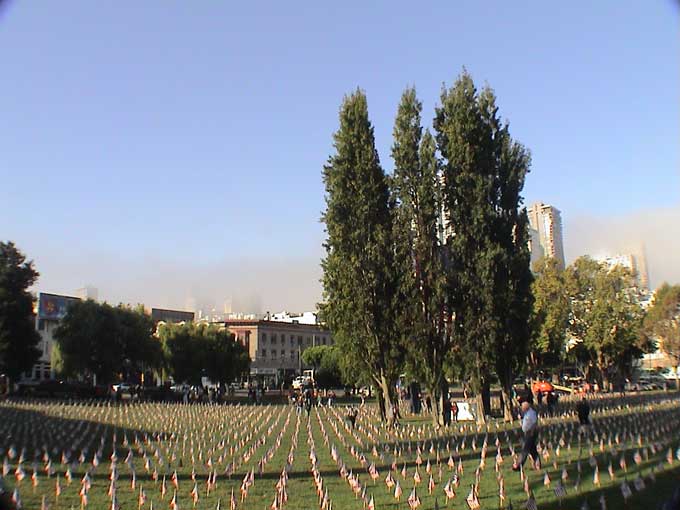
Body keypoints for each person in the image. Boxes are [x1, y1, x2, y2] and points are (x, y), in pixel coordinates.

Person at [512, 397, 540, 471]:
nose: (522, 408)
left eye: (523, 407)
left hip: (531, 433)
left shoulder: (532, 413)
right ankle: (537, 464)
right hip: (527, 433)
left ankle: (519, 465)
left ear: (527, 406)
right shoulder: (526, 413)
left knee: (525, 449)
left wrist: (531, 432)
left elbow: (534, 423)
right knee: (532, 450)